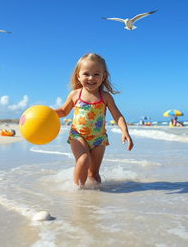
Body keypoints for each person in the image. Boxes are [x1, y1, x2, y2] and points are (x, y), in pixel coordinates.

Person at [55, 53, 134, 187]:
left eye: (96, 74)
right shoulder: (75, 94)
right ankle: (76, 190)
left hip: (98, 139)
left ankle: (95, 199)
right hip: (78, 135)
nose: (91, 78)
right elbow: (63, 111)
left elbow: (117, 115)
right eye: (86, 74)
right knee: (83, 159)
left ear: (103, 77)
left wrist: (125, 131)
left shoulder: (105, 97)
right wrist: (46, 112)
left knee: (94, 174)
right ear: (78, 76)